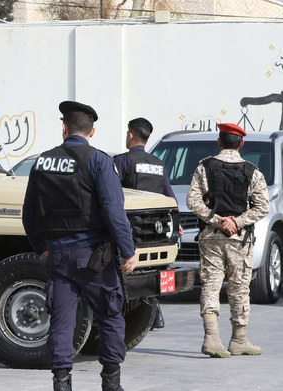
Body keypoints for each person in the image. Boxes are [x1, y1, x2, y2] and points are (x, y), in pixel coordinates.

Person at [22, 101, 136, 391]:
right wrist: (128, 250)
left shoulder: (42, 161)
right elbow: (113, 210)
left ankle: (61, 383)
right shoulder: (98, 161)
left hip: (58, 256)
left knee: (62, 320)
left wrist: (40, 247)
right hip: (94, 257)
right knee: (110, 315)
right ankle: (111, 382)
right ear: (92, 131)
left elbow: (29, 213)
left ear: (64, 128)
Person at [186, 123, 269, 358]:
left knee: (211, 284)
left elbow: (193, 202)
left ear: (219, 142)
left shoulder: (204, 166)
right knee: (240, 287)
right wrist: (237, 222)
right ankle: (239, 339)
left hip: (211, 237)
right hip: (239, 240)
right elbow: (263, 206)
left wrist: (216, 219)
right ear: (241, 144)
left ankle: (211, 338)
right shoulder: (252, 171)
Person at [113, 117, 183, 330]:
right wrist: (176, 224)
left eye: (127, 133)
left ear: (131, 135)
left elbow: (111, 194)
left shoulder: (122, 161)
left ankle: (144, 314)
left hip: (132, 229)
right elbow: (169, 196)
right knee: (156, 270)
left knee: (127, 273)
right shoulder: (158, 164)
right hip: (157, 231)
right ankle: (155, 313)